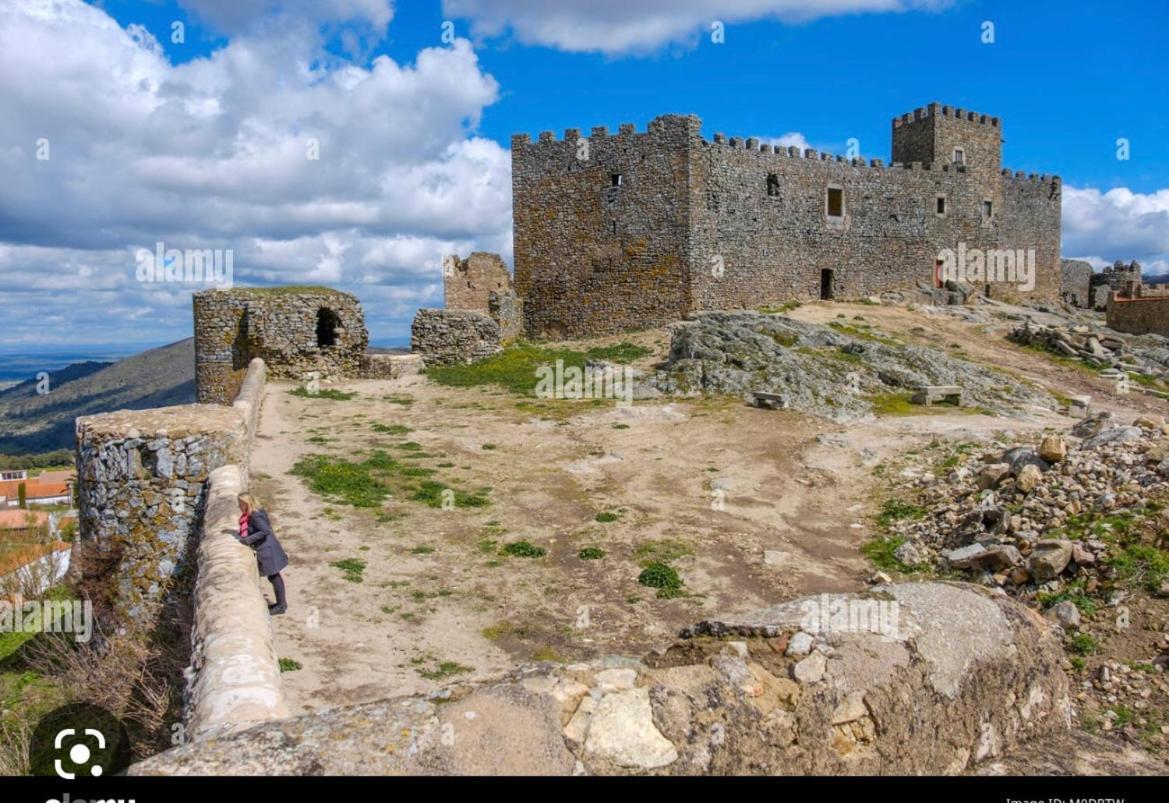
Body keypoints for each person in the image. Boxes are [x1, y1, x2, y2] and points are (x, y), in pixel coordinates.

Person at [237, 493, 289, 615]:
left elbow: (264, 530)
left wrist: (247, 540)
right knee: (274, 576)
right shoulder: (257, 511)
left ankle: (281, 606)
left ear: (246, 503)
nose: (238, 505)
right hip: (269, 547)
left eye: (240, 503)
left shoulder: (255, 515)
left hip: (267, 550)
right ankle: (281, 604)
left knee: (274, 577)